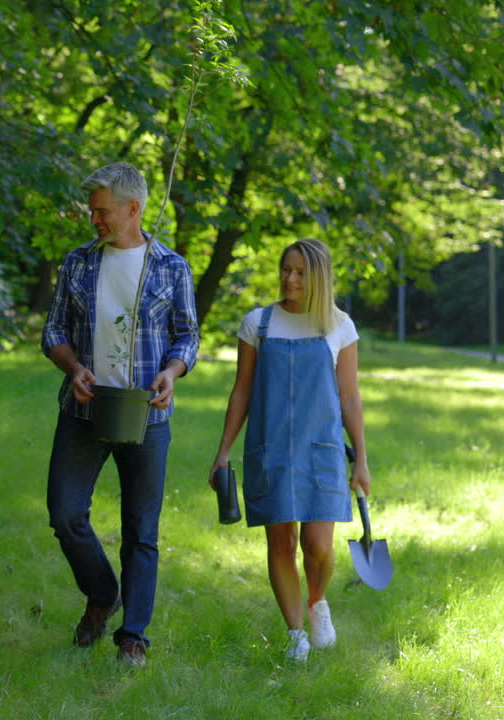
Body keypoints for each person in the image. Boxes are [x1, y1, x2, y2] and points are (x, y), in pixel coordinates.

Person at [41, 162, 200, 668]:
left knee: (141, 530)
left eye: (102, 211)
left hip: (146, 415)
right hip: (83, 411)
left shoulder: (170, 267)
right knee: (65, 514)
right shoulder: (78, 263)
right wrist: (74, 368)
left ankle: (134, 637)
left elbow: (187, 336)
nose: (94, 219)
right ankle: (102, 593)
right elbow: (53, 331)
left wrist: (172, 372)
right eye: (92, 211)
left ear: (133, 209)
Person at [209, 237, 371, 663]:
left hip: (322, 450)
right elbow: (242, 391)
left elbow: (350, 397)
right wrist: (223, 451)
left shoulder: (339, 326)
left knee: (318, 546)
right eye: (286, 269)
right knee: (281, 542)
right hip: (270, 449)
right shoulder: (258, 324)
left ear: (319, 277)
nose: (290, 278)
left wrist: (362, 459)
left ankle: (317, 600)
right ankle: (296, 634)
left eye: (300, 272)